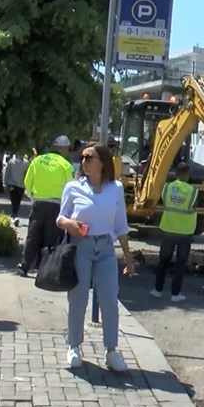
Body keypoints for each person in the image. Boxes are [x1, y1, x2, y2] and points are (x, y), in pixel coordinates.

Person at [56, 142, 136, 371]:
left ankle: (111, 351)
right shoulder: (73, 187)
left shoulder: (116, 188)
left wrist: (129, 259)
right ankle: (74, 346)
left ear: (102, 162)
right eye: (82, 157)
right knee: (78, 298)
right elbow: (60, 218)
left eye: (88, 157)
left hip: (106, 249)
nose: (83, 161)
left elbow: (121, 225)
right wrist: (71, 224)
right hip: (81, 246)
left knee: (110, 300)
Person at [17, 135, 74, 276]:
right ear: (63, 148)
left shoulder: (37, 161)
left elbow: (27, 182)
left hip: (38, 203)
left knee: (33, 235)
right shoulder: (66, 165)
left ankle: (24, 265)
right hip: (56, 205)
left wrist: (33, 196)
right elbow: (71, 187)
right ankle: (44, 268)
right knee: (51, 238)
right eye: (67, 149)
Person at [150, 162, 198, 301]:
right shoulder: (192, 191)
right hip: (185, 232)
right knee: (180, 264)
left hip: (168, 230)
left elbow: (165, 203)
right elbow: (193, 208)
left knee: (163, 261)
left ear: (176, 174)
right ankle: (175, 294)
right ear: (188, 175)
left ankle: (157, 290)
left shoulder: (167, 188)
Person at [3, 152, 30, 226]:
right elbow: (7, 173)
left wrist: (5, 183)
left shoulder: (26, 163)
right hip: (16, 185)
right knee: (15, 201)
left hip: (17, 185)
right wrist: (5, 183)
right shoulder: (12, 162)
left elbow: (7, 173)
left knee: (16, 201)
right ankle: (14, 215)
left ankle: (14, 215)